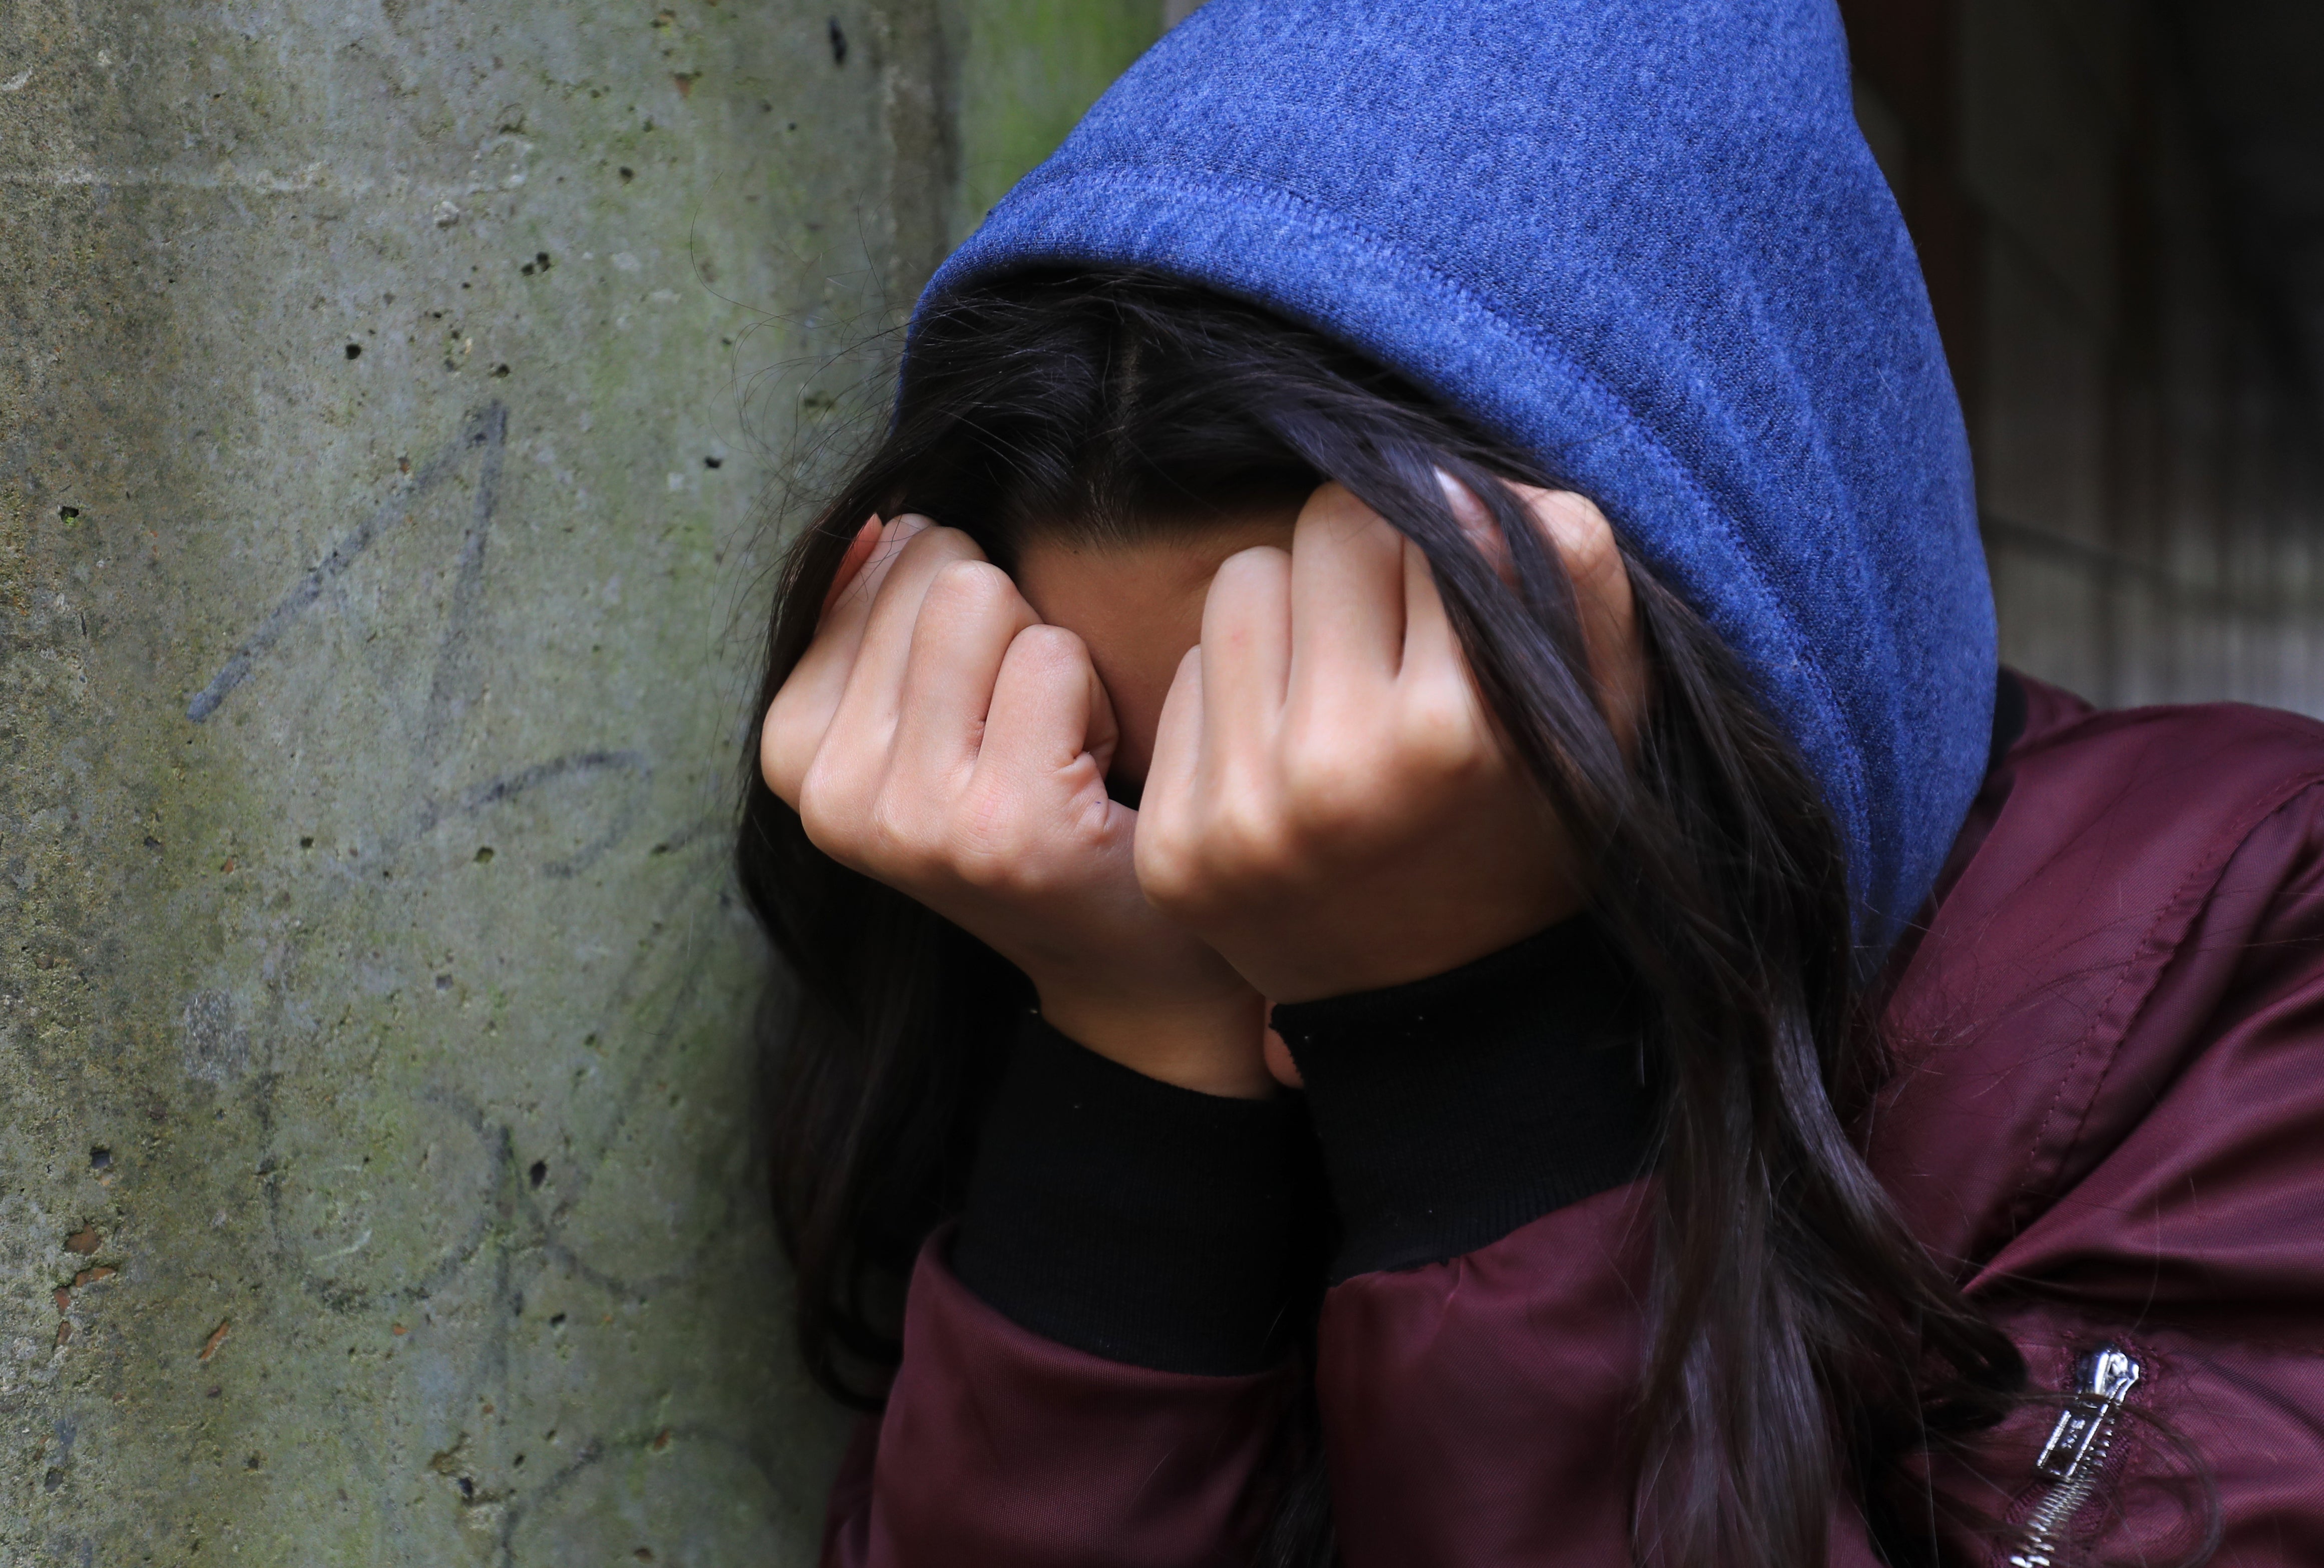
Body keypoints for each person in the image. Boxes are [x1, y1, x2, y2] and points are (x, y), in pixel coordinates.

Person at [734, 3, 2324, 1564]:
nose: (1253, 857)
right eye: (1147, 789)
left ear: (1730, 660)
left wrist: (1477, 1062)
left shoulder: (2259, 951)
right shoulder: (1132, 1002)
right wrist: (1130, 1090)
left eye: (1413, 768)